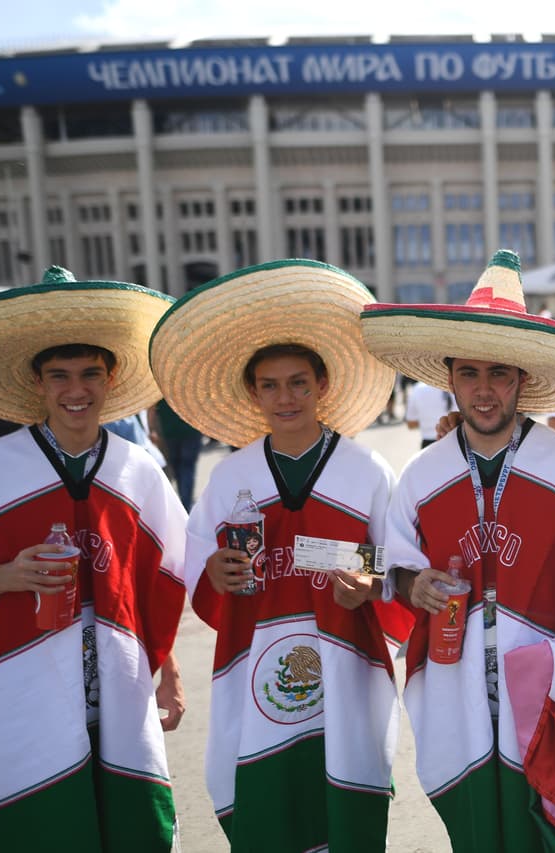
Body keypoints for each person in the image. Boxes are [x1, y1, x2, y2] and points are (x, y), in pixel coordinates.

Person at [361, 249, 555, 852]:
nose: (484, 392)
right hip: (453, 691)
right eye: (469, 374)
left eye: (499, 374)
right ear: (449, 378)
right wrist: (414, 585)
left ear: (523, 380)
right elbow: (391, 567)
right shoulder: (420, 474)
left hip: (546, 702)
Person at [0, 266, 188, 852]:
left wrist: (171, 676)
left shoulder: (139, 471)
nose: (76, 389)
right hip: (19, 683)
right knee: (41, 826)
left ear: (111, 378)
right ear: (36, 383)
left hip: (118, 681)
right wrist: (4, 577)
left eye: (90, 373)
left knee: (127, 819)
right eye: (59, 375)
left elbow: (164, 582)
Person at [149, 260, 413, 852]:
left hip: (346, 662)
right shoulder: (229, 477)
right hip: (254, 662)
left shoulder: (366, 470)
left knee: (345, 793)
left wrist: (367, 581)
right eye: (269, 385)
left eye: (298, 382)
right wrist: (213, 572)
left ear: (323, 386)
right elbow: (199, 567)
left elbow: (394, 561)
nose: (285, 396)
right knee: (270, 804)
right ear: (252, 393)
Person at [405, 379, 454, 448]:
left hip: (428, 443)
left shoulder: (417, 389)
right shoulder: (454, 387)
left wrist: (427, 422)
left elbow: (411, 424)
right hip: (453, 442)